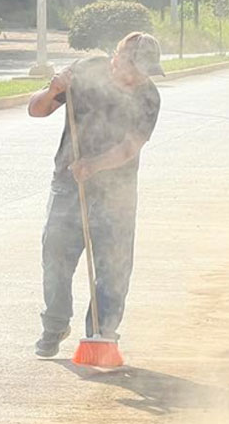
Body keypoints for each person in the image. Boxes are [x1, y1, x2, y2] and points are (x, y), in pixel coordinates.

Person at [27, 31, 163, 357]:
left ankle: (102, 334)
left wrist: (94, 165)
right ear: (118, 59)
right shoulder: (86, 72)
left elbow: (130, 147)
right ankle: (55, 325)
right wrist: (53, 89)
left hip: (117, 192)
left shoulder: (148, 97)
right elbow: (36, 110)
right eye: (136, 70)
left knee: (113, 267)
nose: (140, 79)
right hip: (67, 184)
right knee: (56, 255)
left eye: (146, 72)